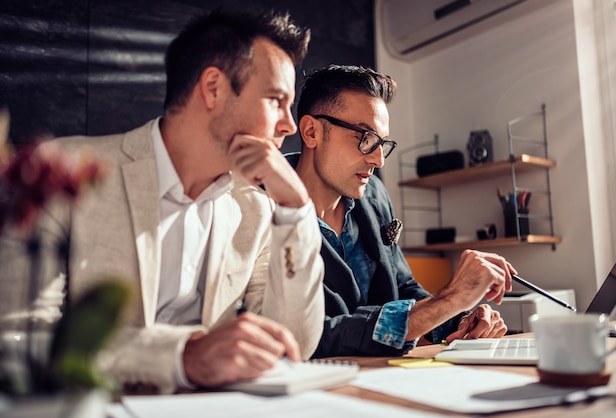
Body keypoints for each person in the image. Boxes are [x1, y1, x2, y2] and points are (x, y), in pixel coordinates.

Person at [0, 10, 325, 393]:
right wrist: (181, 356)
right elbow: (15, 339)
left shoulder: (256, 209)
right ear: (213, 88)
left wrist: (296, 208)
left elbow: (293, 345)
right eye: (276, 100)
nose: (289, 125)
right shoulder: (63, 175)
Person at [292, 65, 515, 357]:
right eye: (365, 138)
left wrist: (457, 320)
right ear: (312, 132)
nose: (378, 160)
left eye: (382, 143)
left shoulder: (373, 194)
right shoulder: (262, 208)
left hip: (385, 377)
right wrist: (448, 300)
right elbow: (309, 333)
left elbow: (404, 287)